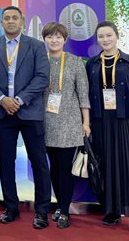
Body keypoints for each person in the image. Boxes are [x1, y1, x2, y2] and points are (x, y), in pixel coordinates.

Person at [0, 6, 51, 229]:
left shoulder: (36, 45)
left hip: (29, 111)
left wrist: (19, 100)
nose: (11, 21)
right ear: (1, 23)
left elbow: (42, 77)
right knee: (6, 161)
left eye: (14, 18)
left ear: (22, 22)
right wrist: (2, 99)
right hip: (3, 111)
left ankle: (42, 211)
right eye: (7, 18)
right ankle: (11, 207)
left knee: (39, 162)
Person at [86, 21, 129, 237]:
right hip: (101, 121)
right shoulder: (92, 63)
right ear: (97, 39)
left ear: (117, 36)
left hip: (126, 121)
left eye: (109, 35)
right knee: (107, 166)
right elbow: (87, 92)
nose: (105, 40)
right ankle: (112, 210)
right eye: (101, 36)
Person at [41, 22, 91, 229]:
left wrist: (86, 122)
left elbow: (83, 94)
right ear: (44, 39)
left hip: (69, 122)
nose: (54, 40)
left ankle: (64, 210)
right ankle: (60, 204)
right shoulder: (40, 61)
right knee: (53, 167)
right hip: (45, 121)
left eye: (58, 37)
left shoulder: (75, 62)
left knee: (65, 168)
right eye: (50, 37)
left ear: (65, 39)